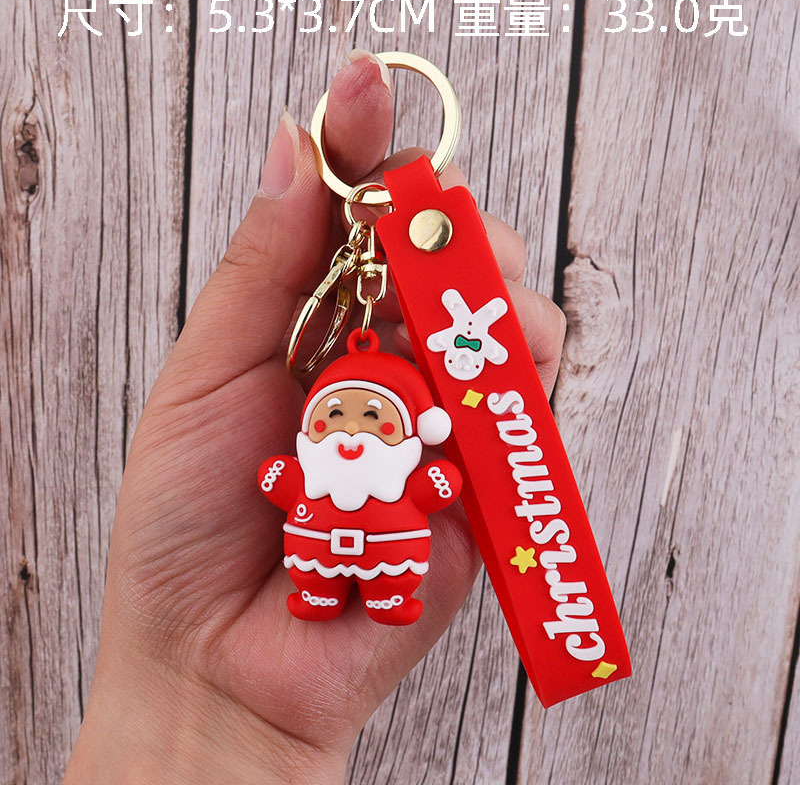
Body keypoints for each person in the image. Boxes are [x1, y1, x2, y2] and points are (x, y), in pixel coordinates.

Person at [63, 50, 567, 784]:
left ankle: (386, 594)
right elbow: (286, 480)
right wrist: (278, 479)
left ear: (410, 432)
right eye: (337, 417)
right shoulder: (317, 466)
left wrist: (441, 483)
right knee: (319, 584)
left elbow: (436, 487)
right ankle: (317, 592)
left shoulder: (400, 472)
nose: (352, 435)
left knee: (395, 574)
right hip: (313, 554)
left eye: (374, 421)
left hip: (391, 553)